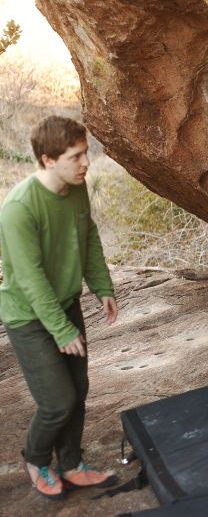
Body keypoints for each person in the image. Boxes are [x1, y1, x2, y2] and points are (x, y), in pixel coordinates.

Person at [0, 116, 119, 500]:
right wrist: (62, 329)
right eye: (76, 156)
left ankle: (70, 463)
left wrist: (102, 285)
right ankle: (36, 458)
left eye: (86, 154)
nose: (86, 163)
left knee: (79, 389)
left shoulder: (76, 186)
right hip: (28, 316)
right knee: (57, 401)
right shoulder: (19, 208)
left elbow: (88, 237)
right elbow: (30, 278)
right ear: (48, 160)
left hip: (65, 304)